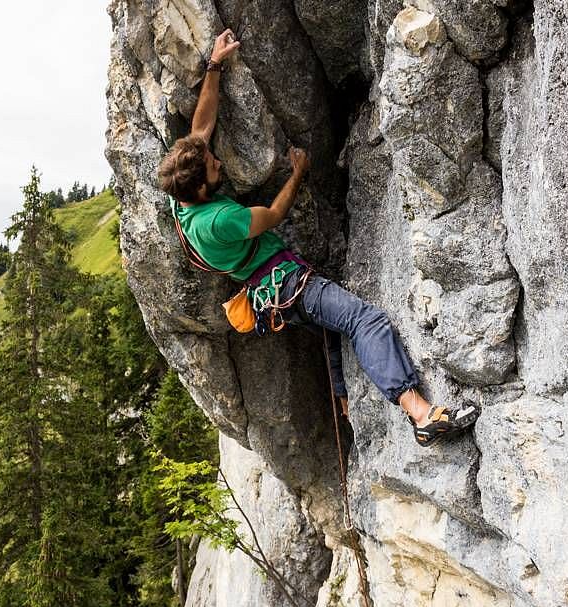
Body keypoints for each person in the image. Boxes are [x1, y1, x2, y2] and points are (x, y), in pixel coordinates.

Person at [156, 29, 479, 445]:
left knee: (332, 331)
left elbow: (201, 128)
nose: (217, 159)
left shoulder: (181, 197)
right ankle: (421, 414)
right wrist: (298, 173)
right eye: (214, 166)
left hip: (270, 296)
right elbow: (272, 215)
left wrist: (215, 66)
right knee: (365, 319)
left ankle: (347, 408)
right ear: (201, 187)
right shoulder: (220, 219)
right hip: (288, 283)